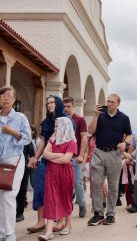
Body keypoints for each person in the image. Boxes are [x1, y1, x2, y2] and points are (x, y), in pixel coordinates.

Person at [28, 96, 71, 233]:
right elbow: (43, 141)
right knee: (39, 189)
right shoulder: (46, 122)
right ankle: (41, 221)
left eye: (52, 102)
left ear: (58, 104)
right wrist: (36, 156)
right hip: (46, 160)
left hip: (60, 161)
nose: (49, 105)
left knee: (59, 191)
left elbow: (70, 139)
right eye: (47, 103)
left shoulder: (66, 120)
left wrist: (65, 157)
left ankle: (61, 220)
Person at [87, 93, 132, 226]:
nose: (109, 104)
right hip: (99, 152)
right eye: (108, 101)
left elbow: (129, 134)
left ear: (118, 103)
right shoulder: (100, 115)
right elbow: (90, 130)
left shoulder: (124, 118)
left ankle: (111, 214)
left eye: (112, 102)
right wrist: (95, 115)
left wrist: (125, 143)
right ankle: (98, 213)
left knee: (113, 186)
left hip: (114, 154)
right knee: (96, 183)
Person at [0, 86, 31, 241]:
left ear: (13, 100)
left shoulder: (20, 118)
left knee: (8, 197)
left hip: (14, 160)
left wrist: (11, 131)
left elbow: (27, 138)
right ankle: (1, 232)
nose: (6, 98)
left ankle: (10, 233)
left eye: (9, 96)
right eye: (3, 95)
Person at [38, 117, 77, 241]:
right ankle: (49, 231)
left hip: (65, 174)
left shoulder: (72, 142)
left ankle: (68, 223)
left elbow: (67, 159)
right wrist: (60, 155)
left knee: (65, 198)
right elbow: (44, 154)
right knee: (50, 200)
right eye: (55, 126)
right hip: (51, 173)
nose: (55, 129)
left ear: (64, 126)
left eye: (57, 126)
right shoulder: (52, 140)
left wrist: (52, 157)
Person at [63, 97, 88, 218]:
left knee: (77, 182)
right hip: (62, 157)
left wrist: (81, 155)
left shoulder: (80, 120)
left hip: (75, 156)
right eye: (64, 106)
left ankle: (82, 204)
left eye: (68, 106)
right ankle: (65, 208)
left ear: (73, 106)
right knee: (63, 183)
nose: (66, 109)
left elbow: (84, 138)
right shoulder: (61, 119)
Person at [16, 137, 35, 222]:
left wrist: (30, 163)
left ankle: (20, 213)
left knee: (21, 190)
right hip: (8, 166)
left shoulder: (26, 138)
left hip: (23, 167)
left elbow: (32, 154)